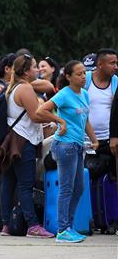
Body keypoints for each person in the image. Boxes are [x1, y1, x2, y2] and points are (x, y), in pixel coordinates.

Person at [0, 55, 52, 238]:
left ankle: (6, 225)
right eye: (34, 67)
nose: (37, 70)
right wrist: (58, 119)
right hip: (23, 141)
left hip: (10, 142)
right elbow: (36, 116)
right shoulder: (25, 88)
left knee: (8, 183)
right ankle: (33, 225)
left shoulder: (13, 87)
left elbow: (47, 87)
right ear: (25, 71)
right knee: (25, 185)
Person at [35, 60, 99, 244]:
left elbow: (85, 120)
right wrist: (60, 121)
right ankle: (62, 230)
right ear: (68, 77)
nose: (82, 76)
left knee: (78, 188)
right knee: (66, 188)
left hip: (79, 146)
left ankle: (68, 226)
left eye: (84, 73)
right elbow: (41, 111)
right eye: (78, 74)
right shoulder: (63, 94)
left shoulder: (85, 94)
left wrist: (93, 139)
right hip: (65, 145)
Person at [83, 48, 117, 181]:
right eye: (112, 63)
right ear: (100, 64)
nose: (116, 67)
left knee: (109, 178)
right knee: (88, 175)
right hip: (86, 141)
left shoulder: (116, 82)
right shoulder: (84, 80)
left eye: (116, 63)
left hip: (110, 140)